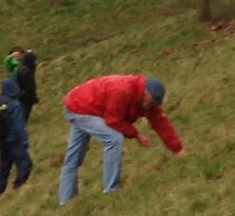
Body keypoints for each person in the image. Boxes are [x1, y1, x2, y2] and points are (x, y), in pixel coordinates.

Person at [58, 74, 186, 206]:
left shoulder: (148, 103)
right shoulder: (123, 91)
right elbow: (113, 120)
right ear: (145, 92)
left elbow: (162, 124)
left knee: (73, 158)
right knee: (113, 139)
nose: (151, 104)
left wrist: (178, 149)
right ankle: (110, 190)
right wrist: (137, 135)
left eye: (154, 103)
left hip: (86, 105)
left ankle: (66, 203)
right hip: (77, 107)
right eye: (151, 100)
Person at [0, 78, 33, 195]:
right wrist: (24, 141)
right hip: (14, 140)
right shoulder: (15, 105)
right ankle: (18, 186)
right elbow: (19, 125)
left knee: (4, 167)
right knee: (25, 164)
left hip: (1, 140)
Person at [16, 50, 39, 122]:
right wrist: (33, 97)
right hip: (26, 98)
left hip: (21, 95)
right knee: (25, 113)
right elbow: (30, 87)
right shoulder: (27, 73)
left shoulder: (21, 68)